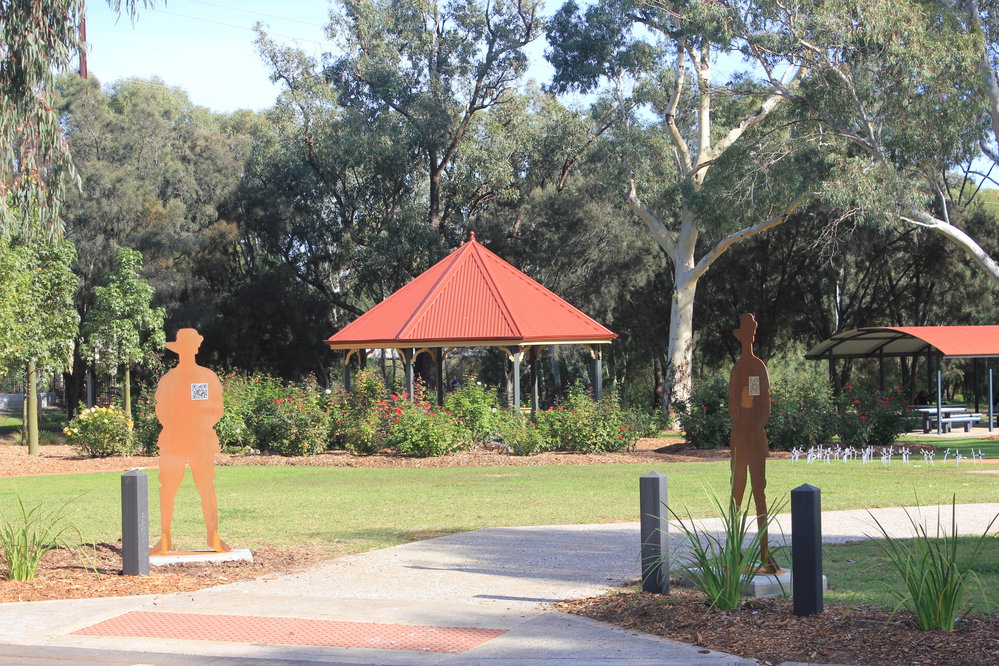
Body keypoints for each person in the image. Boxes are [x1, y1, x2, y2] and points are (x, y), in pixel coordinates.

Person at [150, 328, 230, 555]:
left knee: (204, 487)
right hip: (177, 441)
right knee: (170, 488)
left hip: (196, 441)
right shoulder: (171, 379)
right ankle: (165, 537)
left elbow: (214, 408)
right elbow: (162, 410)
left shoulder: (204, 377)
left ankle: (212, 535)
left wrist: (198, 426)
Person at [728, 313, 777, 572]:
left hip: (753, 437)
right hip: (742, 437)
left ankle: (764, 553)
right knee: (737, 493)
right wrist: (744, 414)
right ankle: (735, 552)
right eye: (747, 334)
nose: (750, 338)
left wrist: (751, 419)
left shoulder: (755, 367)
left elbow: (762, 405)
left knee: (759, 493)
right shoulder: (741, 367)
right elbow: (735, 404)